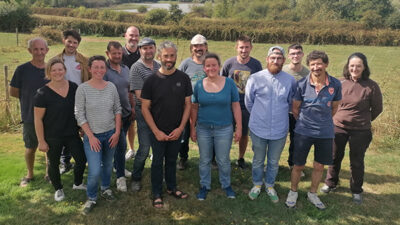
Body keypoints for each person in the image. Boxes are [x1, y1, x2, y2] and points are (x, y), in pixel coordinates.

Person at [320, 52, 383, 204]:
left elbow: (377, 108)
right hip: (338, 127)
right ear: (348, 67)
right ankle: (331, 183)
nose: (355, 68)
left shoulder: (372, 86)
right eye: (352, 66)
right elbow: (330, 103)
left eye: (358, 66)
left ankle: (356, 190)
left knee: (357, 160)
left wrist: (364, 120)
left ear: (364, 67)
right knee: (334, 157)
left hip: (361, 131)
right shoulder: (338, 83)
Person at [285, 50, 342, 210]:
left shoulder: (335, 84)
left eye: (319, 63)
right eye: (312, 64)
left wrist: (322, 121)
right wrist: (306, 122)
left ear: (326, 64)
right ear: (309, 66)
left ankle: (312, 193)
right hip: (303, 131)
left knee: (319, 166)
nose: (316, 67)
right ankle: (293, 191)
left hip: (325, 132)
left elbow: (335, 108)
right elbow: (295, 109)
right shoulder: (301, 84)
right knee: (298, 165)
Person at [141, 41, 192, 208]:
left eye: (172, 55)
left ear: (176, 56)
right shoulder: (151, 81)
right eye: (166, 56)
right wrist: (156, 131)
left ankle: (171, 187)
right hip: (157, 131)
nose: (169, 59)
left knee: (171, 160)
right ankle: (157, 192)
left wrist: (181, 128)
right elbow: (145, 108)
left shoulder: (184, 79)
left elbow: (188, 105)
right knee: (157, 162)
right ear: (159, 57)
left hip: (176, 130)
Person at [245, 46, 296, 203]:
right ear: (267, 59)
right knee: (258, 160)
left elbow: (290, 103)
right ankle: (257, 184)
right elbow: (249, 102)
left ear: (283, 61)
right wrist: (261, 115)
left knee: (273, 161)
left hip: (279, 129)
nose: (275, 61)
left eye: (279, 58)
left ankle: (270, 185)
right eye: (272, 58)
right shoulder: (255, 78)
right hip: (258, 128)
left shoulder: (290, 80)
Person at [33, 58, 87, 201]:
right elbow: (37, 119)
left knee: (82, 159)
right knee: (54, 163)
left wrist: (81, 127)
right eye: (54, 70)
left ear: (65, 71)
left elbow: (79, 109)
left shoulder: (74, 87)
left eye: (60, 69)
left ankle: (78, 183)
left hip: (71, 133)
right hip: (52, 136)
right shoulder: (42, 93)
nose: (57, 72)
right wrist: (41, 141)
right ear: (49, 72)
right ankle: (58, 188)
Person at [75, 55, 121, 215]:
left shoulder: (111, 87)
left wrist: (117, 132)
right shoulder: (83, 89)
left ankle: (106, 188)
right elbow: (79, 114)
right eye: (96, 67)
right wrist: (91, 136)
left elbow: (117, 110)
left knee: (108, 165)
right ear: (90, 69)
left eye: (102, 67)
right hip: (92, 136)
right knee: (94, 170)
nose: (99, 70)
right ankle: (92, 197)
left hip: (110, 134)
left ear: (105, 69)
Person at [191, 53, 241, 200]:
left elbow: (236, 106)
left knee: (223, 160)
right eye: (208, 65)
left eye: (214, 65)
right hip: (203, 128)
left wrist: (239, 127)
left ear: (219, 66)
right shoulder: (199, 84)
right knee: (204, 159)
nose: (211, 68)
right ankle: (204, 186)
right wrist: (192, 127)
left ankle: (226, 185)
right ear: (204, 68)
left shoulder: (230, 83)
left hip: (224, 128)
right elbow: (194, 107)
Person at [10, 37, 50, 187]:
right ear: (30, 51)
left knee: (49, 147)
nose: (39, 52)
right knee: (30, 147)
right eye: (35, 49)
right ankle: (30, 174)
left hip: (50, 116)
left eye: (42, 49)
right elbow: (13, 91)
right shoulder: (22, 69)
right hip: (29, 116)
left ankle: (49, 174)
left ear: (47, 50)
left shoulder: (50, 69)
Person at [221, 35, 262, 169]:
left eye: (246, 47)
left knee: (244, 134)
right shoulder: (229, 63)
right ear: (236, 48)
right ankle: (223, 158)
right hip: (228, 106)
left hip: (247, 107)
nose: (244, 50)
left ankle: (241, 158)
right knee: (226, 133)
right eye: (241, 47)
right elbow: (221, 82)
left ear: (251, 48)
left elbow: (260, 85)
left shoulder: (256, 65)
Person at [53, 30, 89, 174]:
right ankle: (65, 162)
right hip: (61, 99)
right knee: (64, 129)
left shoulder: (84, 60)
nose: (72, 45)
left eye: (75, 42)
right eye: (69, 41)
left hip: (80, 98)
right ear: (64, 41)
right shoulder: (56, 60)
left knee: (82, 128)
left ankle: (86, 158)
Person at [129, 37, 160, 192]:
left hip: (160, 113)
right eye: (144, 48)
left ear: (155, 49)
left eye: (150, 48)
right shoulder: (136, 68)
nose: (148, 51)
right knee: (145, 147)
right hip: (144, 113)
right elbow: (140, 95)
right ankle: (136, 177)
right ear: (140, 50)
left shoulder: (159, 66)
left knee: (159, 146)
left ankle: (158, 174)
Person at [104, 41, 134, 192]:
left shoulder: (125, 68)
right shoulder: (104, 71)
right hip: (114, 116)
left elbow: (129, 90)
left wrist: (132, 107)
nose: (117, 56)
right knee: (121, 146)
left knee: (118, 148)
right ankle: (120, 177)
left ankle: (117, 166)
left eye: (119, 53)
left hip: (127, 113)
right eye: (114, 53)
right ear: (107, 54)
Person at [177, 34, 208, 170]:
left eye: (201, 45)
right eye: (196, 46)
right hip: (187, 106)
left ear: (206, 47)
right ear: (191, 48)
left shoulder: (210, 62)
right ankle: (183, 158)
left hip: (206, 107)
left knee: (207, 134)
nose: (198, 48)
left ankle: (209, 159)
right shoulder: (185, 64)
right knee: (185, 133)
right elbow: (177, 82)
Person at [283, 44, 309, 176]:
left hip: (298, 113)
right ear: (288, 56)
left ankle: (293, 163)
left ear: (302, 55)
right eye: (292, 53)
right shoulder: (282, 71)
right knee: (277, 139)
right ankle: (271, 163)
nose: (295, 56)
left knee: (296, 140)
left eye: (298, 53)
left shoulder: (308, 73)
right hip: (281, 112)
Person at [123, 26, 141, 160]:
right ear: (125, 35)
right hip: (124, 94)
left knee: (146, 122)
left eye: (136, 35)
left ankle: (148, 149)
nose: (133, 38)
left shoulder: (143, 52)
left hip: (142, 93)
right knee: (129, 123)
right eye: (131, 35)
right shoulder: (120, 53)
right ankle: (131, 149)